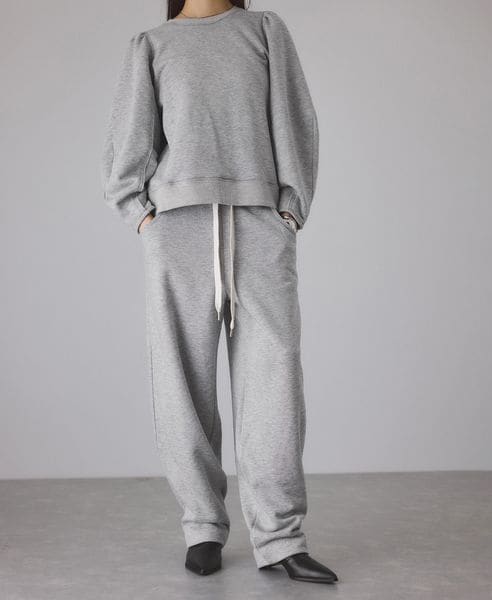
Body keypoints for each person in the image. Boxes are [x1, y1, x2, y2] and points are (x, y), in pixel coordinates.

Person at [101, 0, 338, 585]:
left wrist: (290, 207)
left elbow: (295, 117)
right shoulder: (152, 45)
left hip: (259, 222)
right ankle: (203, 526)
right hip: (177, 227)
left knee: (274, 378)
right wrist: (140, 214)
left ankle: (280, 538)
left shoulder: (264, 30)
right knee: (181, 381)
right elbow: (129, 140)